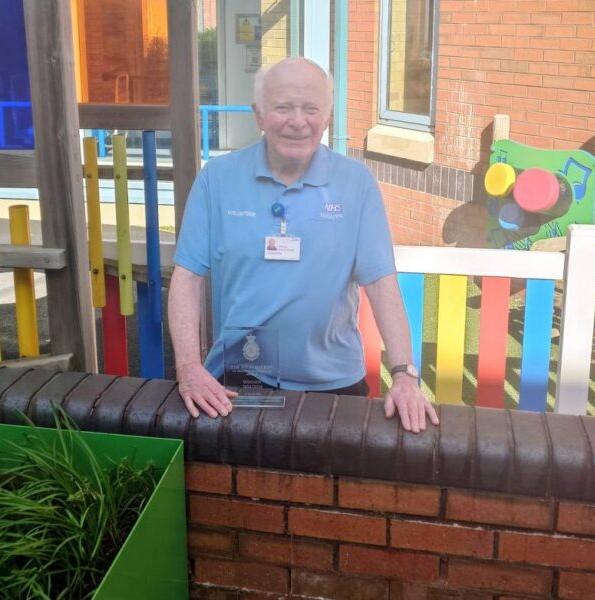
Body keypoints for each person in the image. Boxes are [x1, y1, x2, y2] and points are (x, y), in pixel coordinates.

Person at [168, 57, 438, 433]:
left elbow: (380, 283)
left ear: (327, 118)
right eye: (283, 107)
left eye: (311, 108)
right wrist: (189, 370)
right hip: (237, 378)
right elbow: (186, 278)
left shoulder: (355, 183)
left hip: (334, 383)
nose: (298, 121)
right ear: (258, 115)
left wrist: (405, 374)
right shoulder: (217, 179)